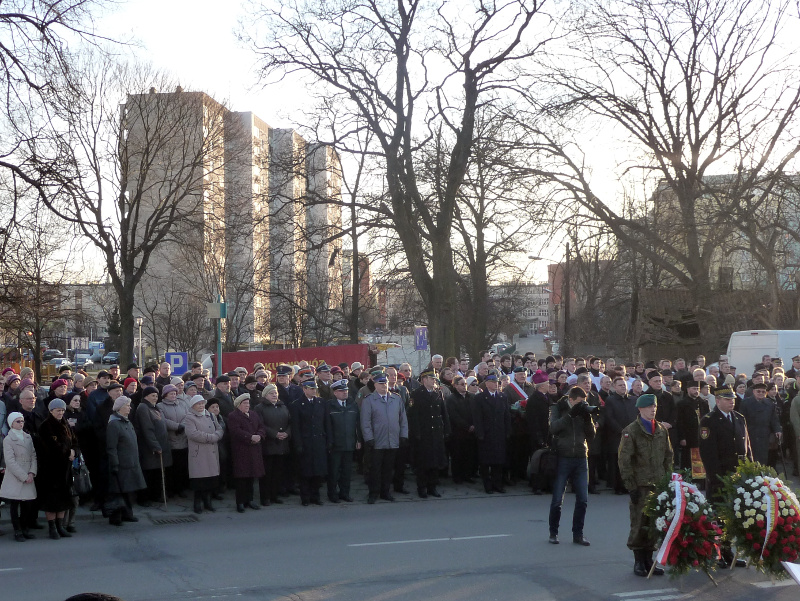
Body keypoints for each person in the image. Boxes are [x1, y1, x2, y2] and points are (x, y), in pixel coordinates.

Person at [617, 394, 673, 577]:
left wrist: (667, 479)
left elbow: (668, 455)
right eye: (649, 407)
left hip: (658, 483)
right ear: (640, 409)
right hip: (640, 485)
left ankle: (649, 560)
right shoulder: (631, 431)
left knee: (654, 523)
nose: (653, 410)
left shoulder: (661, 430)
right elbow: (624, 460)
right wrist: (631, 486)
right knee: (639, 523)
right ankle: (639, 561)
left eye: (654, 407)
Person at [698, 387, 751, 568]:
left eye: (733, 399)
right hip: (720, 476)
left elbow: (746, 447)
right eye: (727, 399)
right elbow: (708, 453)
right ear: (718, 400)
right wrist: (715, 477)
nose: (731, 402)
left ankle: (729, 552)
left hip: (738, 476)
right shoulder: (709, 421)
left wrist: (751, 471)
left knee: (734, 516)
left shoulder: (739, 418)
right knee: (718, 517)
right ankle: (717, 553)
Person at [548, 386, 595, 546]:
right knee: (557, 500)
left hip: (581, 457)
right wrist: (570, 415)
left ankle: (578, 534)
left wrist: (588, 418)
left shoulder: (582, 411)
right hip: (563, 457)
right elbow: (553, 428)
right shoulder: (558, 408)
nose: (582, 404)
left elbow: (592, 435)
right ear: (571, 399)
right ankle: (553, 532)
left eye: (584, 402)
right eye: (580, 402)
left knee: (583, 499)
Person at [361, 373, 408, 504]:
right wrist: (369, 438)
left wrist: (403, 435)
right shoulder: (369, 400)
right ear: (375, 385)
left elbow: (403, 419)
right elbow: (365, 422)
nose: (384, 386)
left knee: (388, 469)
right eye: (381, 383)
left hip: (393, 440)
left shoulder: (396, 399)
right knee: (375, 469)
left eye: (385, 383)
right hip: (377, 441)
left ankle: (385, 492)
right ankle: (373, 493)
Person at [37, 398, 80, 539]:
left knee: (63, 499)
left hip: (65, 470)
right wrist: (68, 452)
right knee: (52, 501)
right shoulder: (46, 426)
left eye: (62, 410)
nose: (61, 413)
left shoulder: (65, 423)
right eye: (58, 410)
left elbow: (73, 440)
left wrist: (74, 451)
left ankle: (60, 526)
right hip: (50, 470)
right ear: (51, 411)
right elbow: (50, 447)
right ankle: (52, 528)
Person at [408, 369, 451, 498]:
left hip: (436, 433)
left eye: (435, 379)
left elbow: (444, 413)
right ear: (424, 380)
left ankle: (432, 487)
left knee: (435, 462)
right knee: (423, 463)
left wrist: (447, 430)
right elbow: (413, 416)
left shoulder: (438, 393)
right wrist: (416, 433)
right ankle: (422, 488)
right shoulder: (416, 394)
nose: (434, 381)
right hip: (423, 433)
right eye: (432, 379)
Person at [105, 396, 146, 526]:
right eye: (127, 405)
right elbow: (111, 447)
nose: (130, 407)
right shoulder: (114, 424)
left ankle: (128, 514)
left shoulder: (127, 421)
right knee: (119, 491)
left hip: (131, 462)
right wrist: (115, 464)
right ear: (119, 408)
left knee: (129, 491)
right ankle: (116, 517)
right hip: (122, 464)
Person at [290, 379, 329, 506]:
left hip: (318, 441)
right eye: (311, 389)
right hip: (305, 442)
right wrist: (298, 444)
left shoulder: (321, 402)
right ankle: (305, 497)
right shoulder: (297, 404)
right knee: (305, 472)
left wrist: (327, 440)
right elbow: (295, 426)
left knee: (317, 471)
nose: (314, 391)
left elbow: (325, 423)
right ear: (304, 389)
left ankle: (315, 496)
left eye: (314, 388)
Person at [472, 371, 512, 494]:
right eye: (493, 382)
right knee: (486, 461)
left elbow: (506, 415)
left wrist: (508, 430)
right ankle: (487, 485)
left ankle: (497, 484)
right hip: (486, 433)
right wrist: (480, 433)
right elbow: (477, 417)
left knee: (498, 461)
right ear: (487, 383)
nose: (496, 385)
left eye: (497, 382)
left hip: (499, 433)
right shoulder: (479, 398)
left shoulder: (502, 397)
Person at [0, 412, 38, 541]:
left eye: (22, 421)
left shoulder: (27, 437)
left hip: (28, 473)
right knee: (15, 504)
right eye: (18, 421)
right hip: (15, 475)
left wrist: (32, 472)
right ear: (11, 423)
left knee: (27, 504)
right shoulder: (8, 439)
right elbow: (10, 461)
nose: (21, 423)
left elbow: (33, 455)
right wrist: (23, 476)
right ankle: (17, 531)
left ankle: (24, 527)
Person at [183, 394, 224, 514]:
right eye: (198, 404)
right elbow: (192, 433)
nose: (201, 406)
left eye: (202, 403)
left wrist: (216, 436)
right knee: (199, 480)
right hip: (199, 453)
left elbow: (219, 429)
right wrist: (211, 437)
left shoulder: (210, 415)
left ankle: (208, 502)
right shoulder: (189, 417)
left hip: (211, 452)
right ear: (193, 406)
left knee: (210, 479)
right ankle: (197, 502)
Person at [134, 386, 173, 507]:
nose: (155, 398)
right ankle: (144, 498)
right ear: (146, 396)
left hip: (159, 445)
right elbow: (147, 429)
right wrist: (155, 446)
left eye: (156, 395)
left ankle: (155, 496)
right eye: (152, 395)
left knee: (156, 473)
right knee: (148, 474)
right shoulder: (143, 408)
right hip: (149, 449)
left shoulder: (154, 408)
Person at [227, 393, 265, 512]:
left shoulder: (254, 414)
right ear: (238, 405)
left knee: (251, 477)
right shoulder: (233, 416)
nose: (247, 405)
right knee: (241, 478)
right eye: (244, 403)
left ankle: (250, 500)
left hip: (254, 450)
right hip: (241, 450)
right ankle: (240, 502)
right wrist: (250, 437)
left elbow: (261, 426)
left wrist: (259, 436)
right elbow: (236, 431)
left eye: (248, 403)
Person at [254, 384, 290, 506]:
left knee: (278, 472)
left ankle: (274, 495)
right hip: (268, 445)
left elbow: (290, 422)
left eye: (275, 393)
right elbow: (260, 424)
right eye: (271, 393)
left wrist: (287, 433)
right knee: (267, 473)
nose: (274, 395)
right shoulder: (260, 408)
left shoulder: (282, 406)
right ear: (265, 395)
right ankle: (265, 497)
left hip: (282, 445)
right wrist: (274, 434)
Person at [325, 379, 360, 503]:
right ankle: (332, 494)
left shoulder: (352, 404)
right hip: (335, 444)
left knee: (346, 472)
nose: (345, 392)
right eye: (341, 391)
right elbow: (327, 426)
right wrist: (329, 442)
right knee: (334, 472)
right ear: (335, 393)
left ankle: (345, 493)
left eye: (346, 390)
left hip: (349, 443)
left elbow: (357, 424)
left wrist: (358, 440)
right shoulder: (329, 406)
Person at [157, 384, 189, 498]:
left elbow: (187, 416)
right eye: (171, 393)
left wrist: (183, 426)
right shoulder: (160, 406)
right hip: (171, 439)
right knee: (171, 467)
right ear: (165, 395)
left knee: (182, 466)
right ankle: (171, 489)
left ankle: (181, 488)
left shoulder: (182, 404)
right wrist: (177, 426)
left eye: (175, 393)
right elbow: (163, 420)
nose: (173, 395)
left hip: (183, 438)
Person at [740, 381, 781, 466]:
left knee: (763, 458)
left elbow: (774, 419)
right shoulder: (745, 403)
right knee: (751, 458)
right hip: (751, 434)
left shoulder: (770, 404)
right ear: (754, 391)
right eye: (758, 391)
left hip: (764, 435)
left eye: (763, 392)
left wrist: (778, 430)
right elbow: (741, 420)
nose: (761, 393)